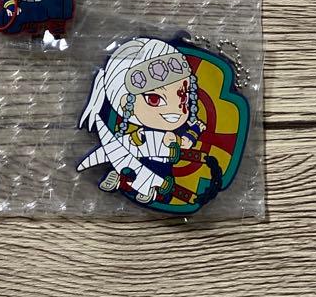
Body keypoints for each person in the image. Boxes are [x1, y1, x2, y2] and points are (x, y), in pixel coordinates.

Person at [77, 38, 220, 206]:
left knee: (161, 181)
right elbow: (127, 143)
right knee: (129, 164)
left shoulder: (172, 134)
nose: (175, 110)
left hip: (162, 167)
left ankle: (148, 188)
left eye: (184, 95)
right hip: (137, 161)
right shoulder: (131, 131)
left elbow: (185, 143)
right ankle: (120, 176)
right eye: (154, 99)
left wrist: (193, 131)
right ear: (126, 103)